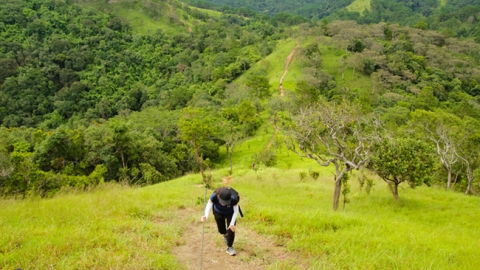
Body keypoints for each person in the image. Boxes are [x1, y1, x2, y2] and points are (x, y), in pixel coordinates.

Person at [201, 187, 240, 256]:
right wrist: (205, 216)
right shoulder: (214, 196)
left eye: (226, 202)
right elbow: (209, 205)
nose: (223, 204)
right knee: (221, 230)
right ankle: (224, 234)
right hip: (218, 212)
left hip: (230, 213)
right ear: (219, 197)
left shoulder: (233, 199)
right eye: (222, 202)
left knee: (231, 230)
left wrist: (232, 224)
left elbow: (236, 211)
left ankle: (230, 247)